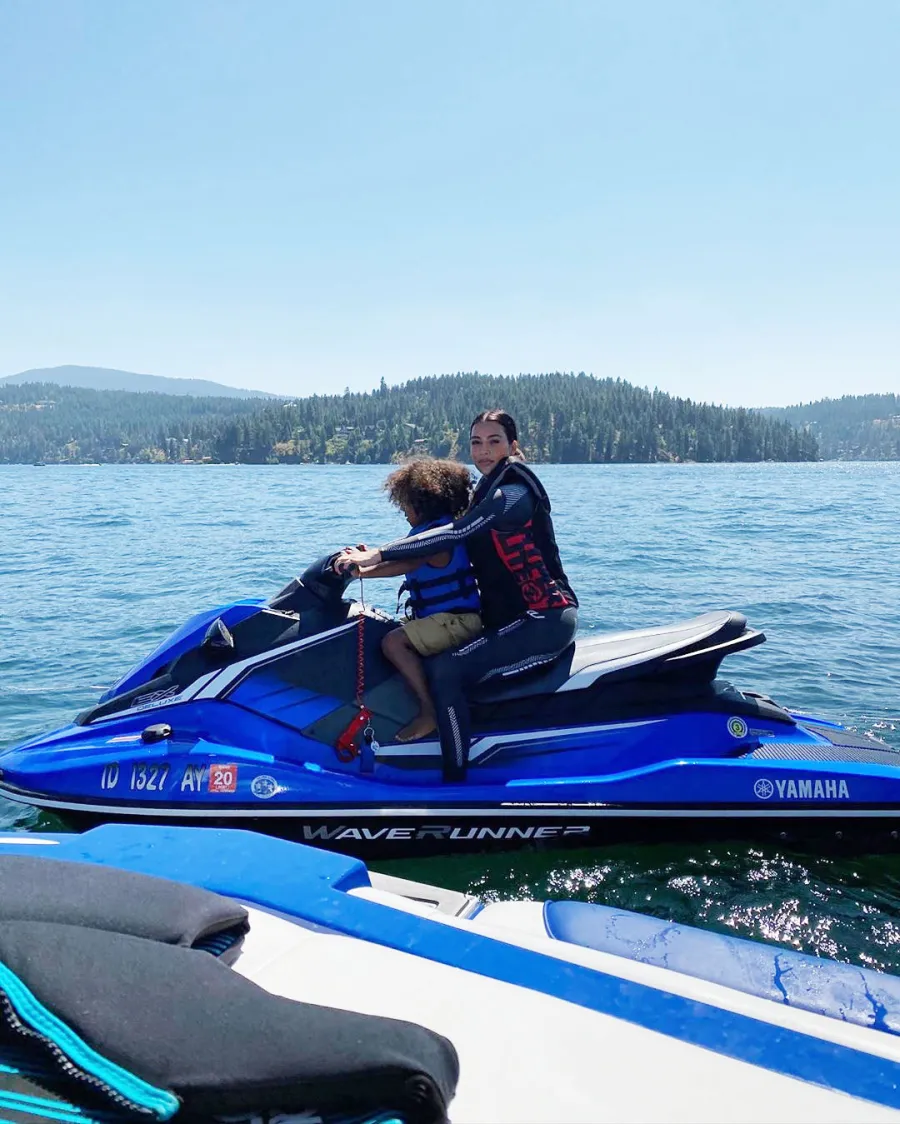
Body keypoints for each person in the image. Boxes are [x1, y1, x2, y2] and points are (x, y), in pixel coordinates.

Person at [338, 410, 578, 781]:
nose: (483, 451)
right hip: (511, 620)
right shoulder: (486, 491)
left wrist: (378, 555)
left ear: (513, 446)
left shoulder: (513, 494)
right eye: (476, 442)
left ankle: (454, 777)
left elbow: (453, 534)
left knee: (446, 668)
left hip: (543, 619)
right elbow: (431, 536)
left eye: (494, 441)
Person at [348, 458, 482, 743]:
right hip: (441, 618)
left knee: (393, 642)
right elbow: (401, 554)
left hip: (458, 620)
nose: (404, 512)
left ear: (423, 504)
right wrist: (364, 557)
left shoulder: (438, 538)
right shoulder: (433, 530)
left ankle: (428, 711)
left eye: (405, 505)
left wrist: (361, 572)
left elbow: (406, 563)